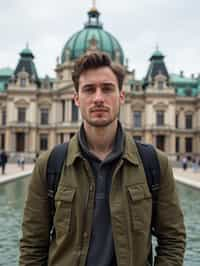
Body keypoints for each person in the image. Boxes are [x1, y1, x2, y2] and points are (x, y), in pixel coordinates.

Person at [19, 52, 186, 266]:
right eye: (89, 89)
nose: (98, 98)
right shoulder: (50, 165)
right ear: (76, 98)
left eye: (107, 88)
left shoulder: (154, 164)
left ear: (122, 96)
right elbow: (32, 246)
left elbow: (172, 240)